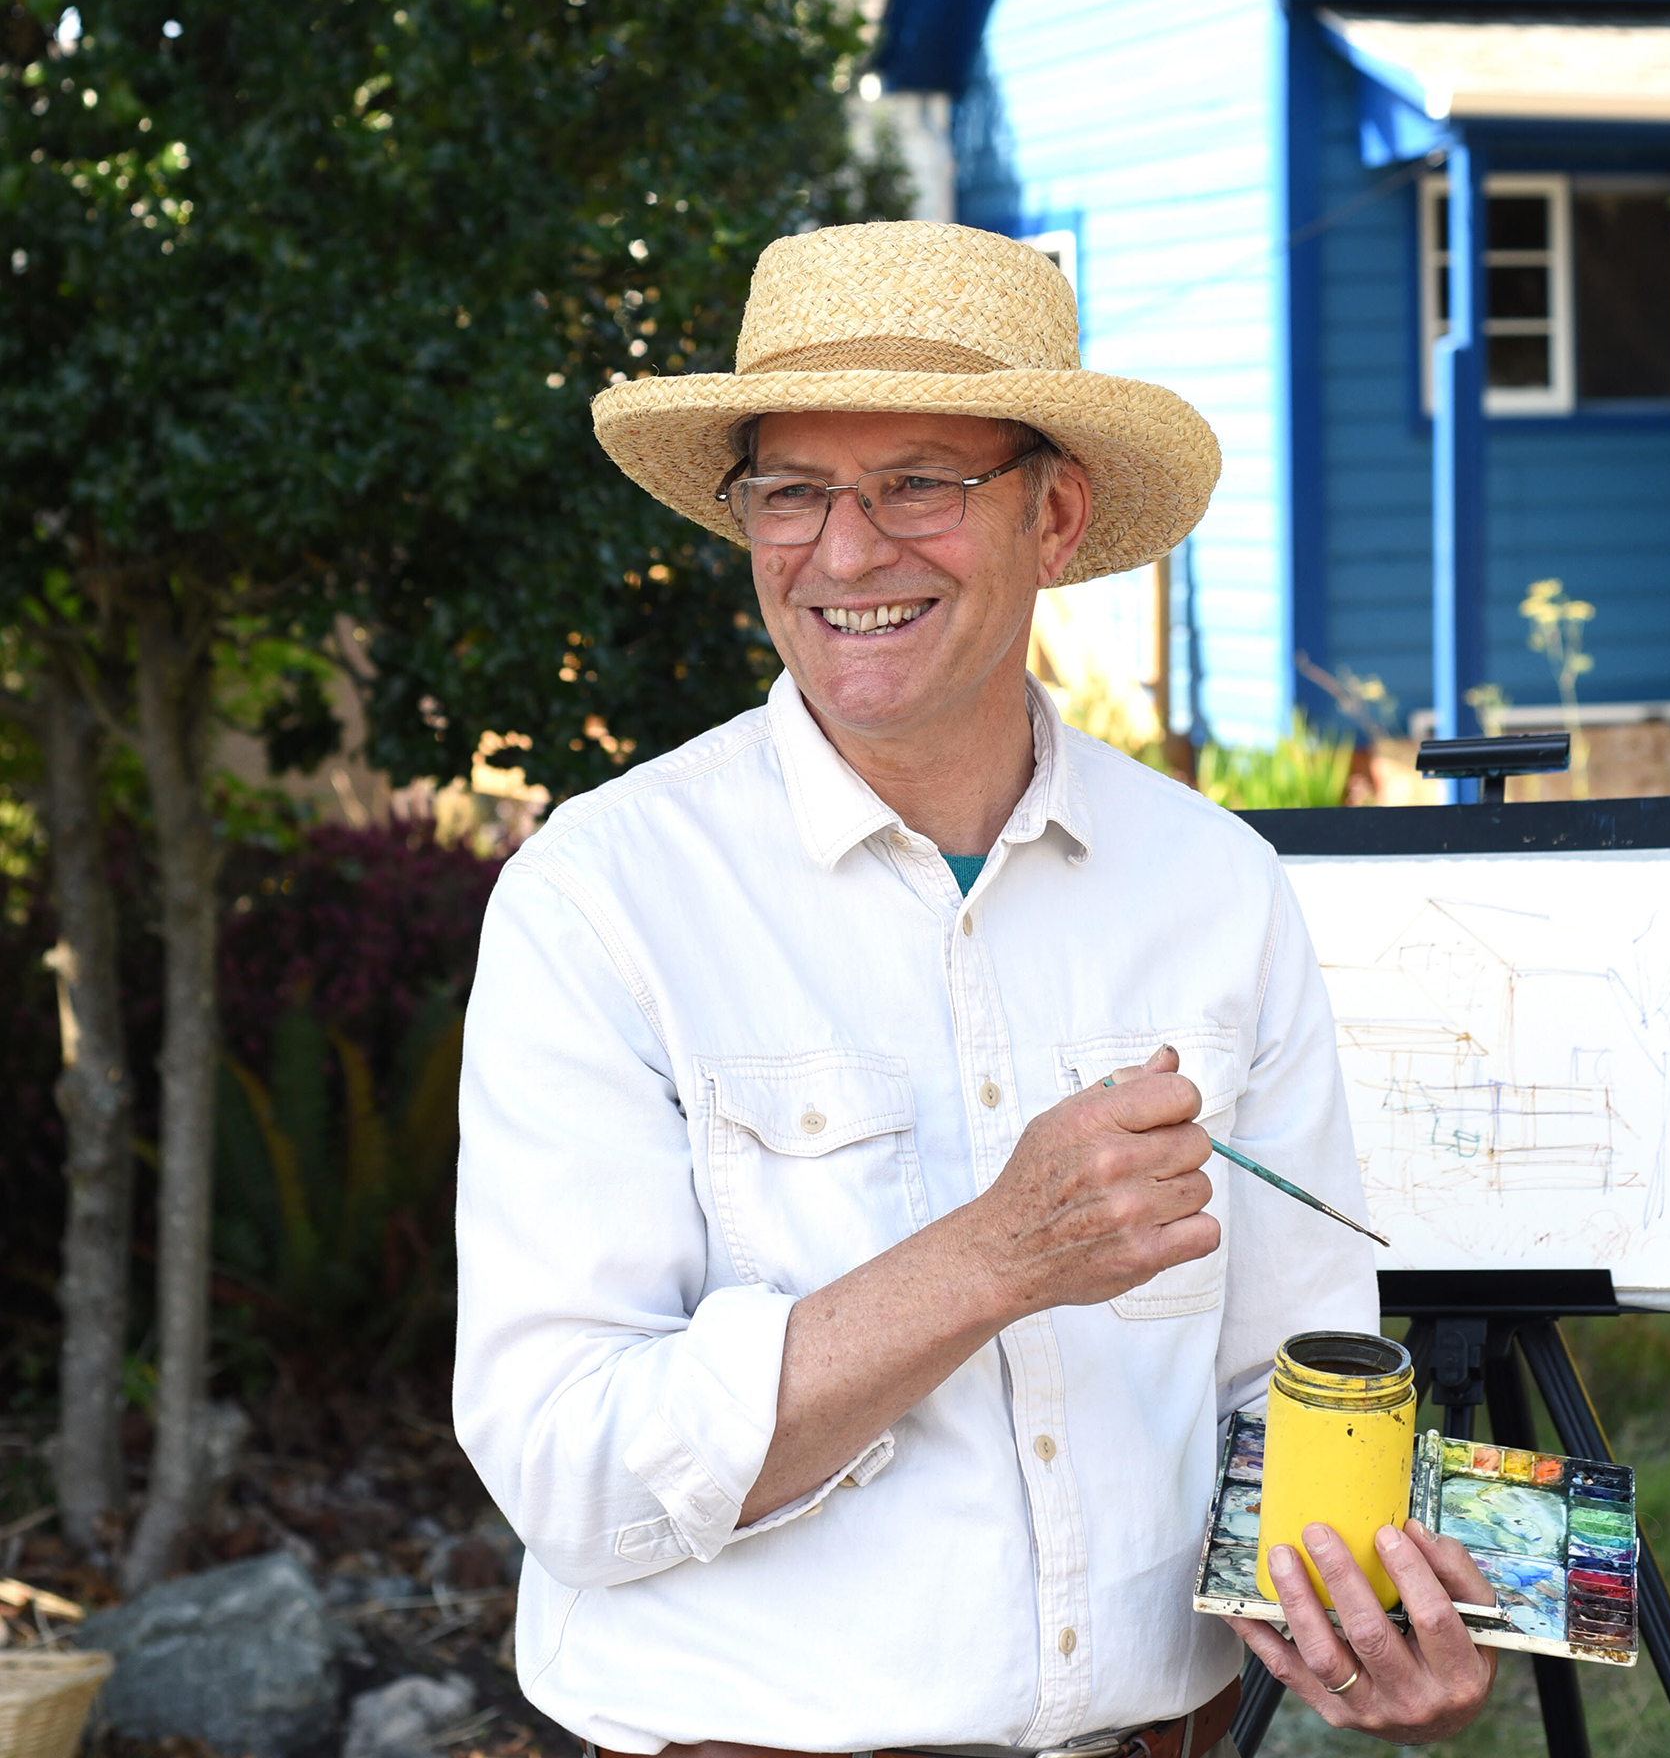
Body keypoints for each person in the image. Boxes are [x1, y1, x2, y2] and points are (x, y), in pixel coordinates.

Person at [453, 221, 1497, 1757]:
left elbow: (1285, 1386)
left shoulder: (1214, 887)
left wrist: (1362, 1619)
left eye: (919, 484)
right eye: (792, 494)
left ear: (1056, 512)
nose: (848, 552)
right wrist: (992, 1258)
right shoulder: (601, 899)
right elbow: (570, 1466)